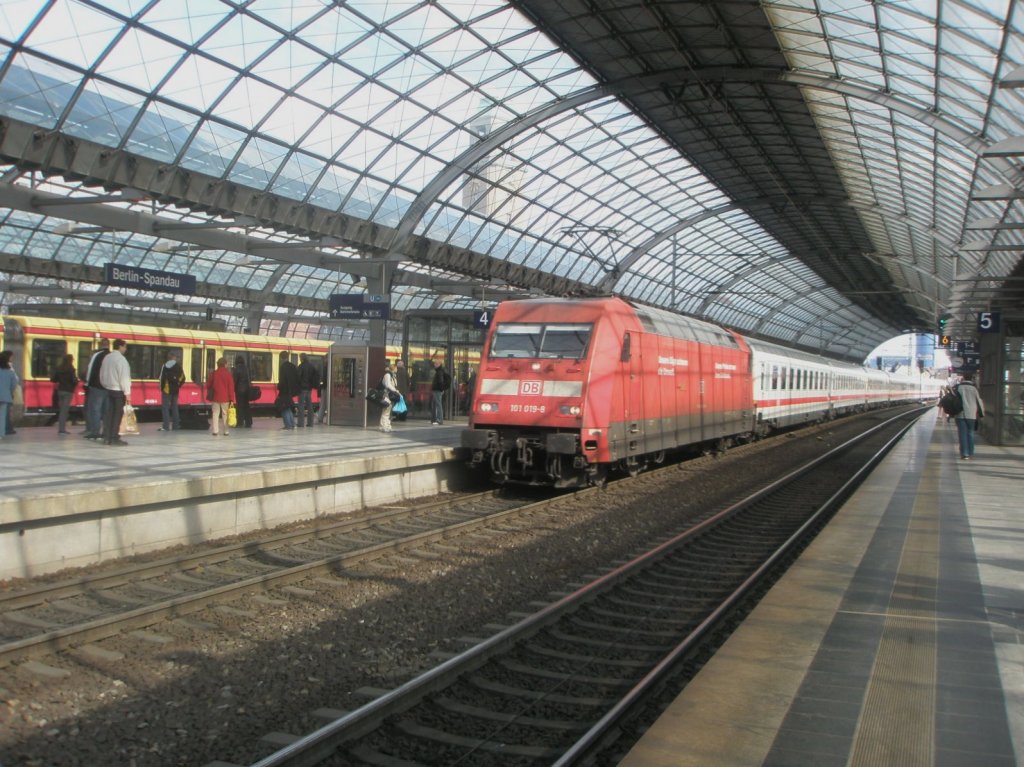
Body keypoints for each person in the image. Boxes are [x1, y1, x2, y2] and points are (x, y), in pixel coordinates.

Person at [98, 339, 131, 446]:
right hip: (118, 391)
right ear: (120, 347)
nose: (125, 349)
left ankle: (107, 437)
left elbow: (102, 374)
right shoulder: (121, 360)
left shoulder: (107, 357)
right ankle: (114, 437)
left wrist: (105, 385)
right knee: (117, 415)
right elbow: (124, 377)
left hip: (108, 390)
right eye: (125, 347)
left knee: (109, 414)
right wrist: (127, 393)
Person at [82, 338, 110, 440]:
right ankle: (106, 432)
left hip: (97, 387)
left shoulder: (96, 355)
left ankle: (95, 432)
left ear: (100, 344)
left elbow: (90, 370)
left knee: (95, 410)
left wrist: (87, 383)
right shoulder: (111, 356)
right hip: (109, 387)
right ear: (109, 345)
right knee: (107, 411)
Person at [954, 373, 984, 460]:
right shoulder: (974, 389)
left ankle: (965, 454)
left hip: (960, 414)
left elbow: (954, 400)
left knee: (962, 434)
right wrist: (982, 413)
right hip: (971, 414)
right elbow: (979, 401)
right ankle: (970, 453)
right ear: (971, 379)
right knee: (970, 433)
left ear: (963, 378)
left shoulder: (959, 387)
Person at [206, 357, 236, 436]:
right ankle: (226, 431)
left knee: (215, 413)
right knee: (225, 414)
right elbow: (231, 388)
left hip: (215, 397)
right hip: (225, 398)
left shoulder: (214, 373)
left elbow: (208, 385)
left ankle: (215, 431)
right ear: (225, 364)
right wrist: (231, 399)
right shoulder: (228, 374)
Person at [158, 351, 186, 431]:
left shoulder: (164, 366)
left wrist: (161, 388)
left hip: (166, 390)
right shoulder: (178, 367)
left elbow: (161, 378)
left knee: (165, 408)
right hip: (175, 390)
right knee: (174, 407)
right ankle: (175, 426)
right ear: (174, 358)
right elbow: (183, 378)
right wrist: (178, 385)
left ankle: (166, 426)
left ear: (168, 358)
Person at [51, 353, 78, 435]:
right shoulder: (71, 369)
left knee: (62, 410)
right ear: (70, 360)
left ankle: (61, 429)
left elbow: (53, 379)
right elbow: (74, 381)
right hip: (68, 391)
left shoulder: (59, 368)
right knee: (64, 411)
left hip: (60, 390)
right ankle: (62, 430)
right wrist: (76, 382)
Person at [277, 351, 301, 430]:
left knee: (284, 408)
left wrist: (279, 387)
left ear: (281, 358)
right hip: (291, 390)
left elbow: (282, 380)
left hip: (284, 390)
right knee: (288, 407)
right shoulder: (292, 366)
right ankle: (292, 424)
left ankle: (288, 425)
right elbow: (297, 378)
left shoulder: (283, 367)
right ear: (287, 357)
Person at [297, 353, 318, 427]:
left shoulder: (301, 366)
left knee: (301, 406)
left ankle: (301, 423)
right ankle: (310, 423)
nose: (300, 359)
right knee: (310, 406)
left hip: (302, 389)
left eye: (300, 358)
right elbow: (315, 376)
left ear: (302, 358)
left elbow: (298, 377)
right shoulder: (312, 366)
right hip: (309, 389)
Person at [0, 350, 17, 441]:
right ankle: (1, 433)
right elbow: (14, 384)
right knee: (2, 416)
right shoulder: (10, 371)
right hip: (5, 396)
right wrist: (9, 391)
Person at [232, 356, 254, 428]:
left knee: (240, 407)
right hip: (247, 390)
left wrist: (233, 389)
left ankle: (240, 422)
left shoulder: (236, 369)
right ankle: (249, 422)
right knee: (247, 406)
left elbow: (235, 380)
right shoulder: (246, 368)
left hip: (239, 390)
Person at [379, 363, 400, 433]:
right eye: (396, 368)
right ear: (393, 368)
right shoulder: (388, 375)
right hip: (386, 396)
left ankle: (388, 426)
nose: (397, 369)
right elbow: (388, 385)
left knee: (389, 412)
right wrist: (395, 390)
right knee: (386, 411)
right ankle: (383, 426)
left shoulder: (393, 375)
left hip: (390, 396)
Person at [430, 359, 450, 425]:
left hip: (437, 390)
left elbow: (440, 382)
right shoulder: (439, 371)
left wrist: (441, 389)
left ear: (439, 364)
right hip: (437, 390)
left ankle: (439, 420)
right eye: (434, 363)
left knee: (438, 405)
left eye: (436, 363)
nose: (434, 364)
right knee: (434, 404)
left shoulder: (439, 371)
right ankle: (434, 419)